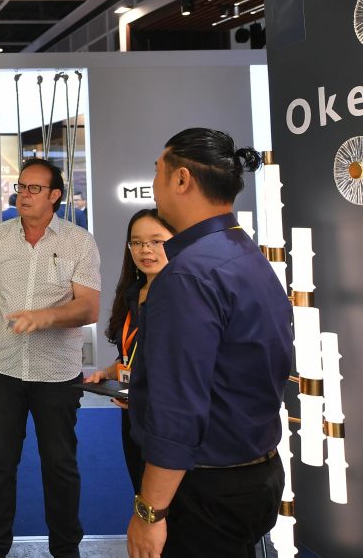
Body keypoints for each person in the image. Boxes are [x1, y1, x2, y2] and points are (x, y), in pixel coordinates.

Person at [127, 128, 292, 558]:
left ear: (181, 179)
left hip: (206, 489)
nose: (155, 185)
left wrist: (150, 512)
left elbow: (177, 409)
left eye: (158, 172)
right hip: (256, 471)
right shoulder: (244, 253)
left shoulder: (187, 274)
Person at [0, 157, 101, 558]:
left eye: (34, 188)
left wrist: (46, 317)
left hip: (57, 374)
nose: (23, 195)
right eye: (21, 187)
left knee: (60, 465)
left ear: (55, 195)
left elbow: (89, 307)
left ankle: (66, 547)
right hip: (2, 368)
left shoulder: (79, 242)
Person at [82, 208, 175, 492]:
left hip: (168, 420)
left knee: (167, 500)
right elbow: (131, 355)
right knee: (140, 488)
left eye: (156, 241)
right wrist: (108, 373)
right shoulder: (132, 294)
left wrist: (144, 393)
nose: (145, 249)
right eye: (137, 242)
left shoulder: (182, 297)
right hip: (133, 413)